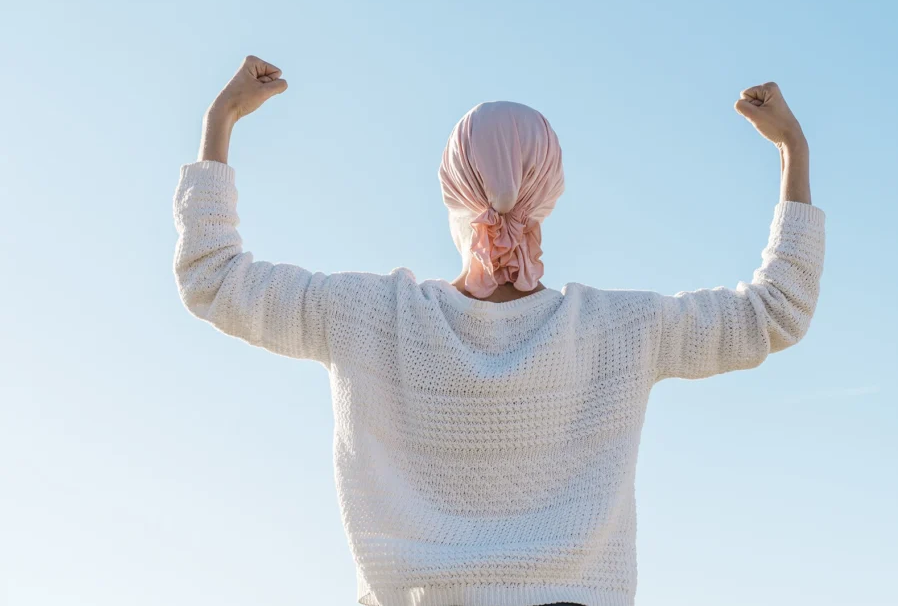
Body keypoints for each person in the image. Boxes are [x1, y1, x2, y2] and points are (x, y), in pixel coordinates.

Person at [173, 56, 826, 606]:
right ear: (551, 193)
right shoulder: (619, 329)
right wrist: (791, 148)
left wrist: (219, 122)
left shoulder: (367, 315)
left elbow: (214, 277)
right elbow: (777, 310)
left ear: (452, 190)